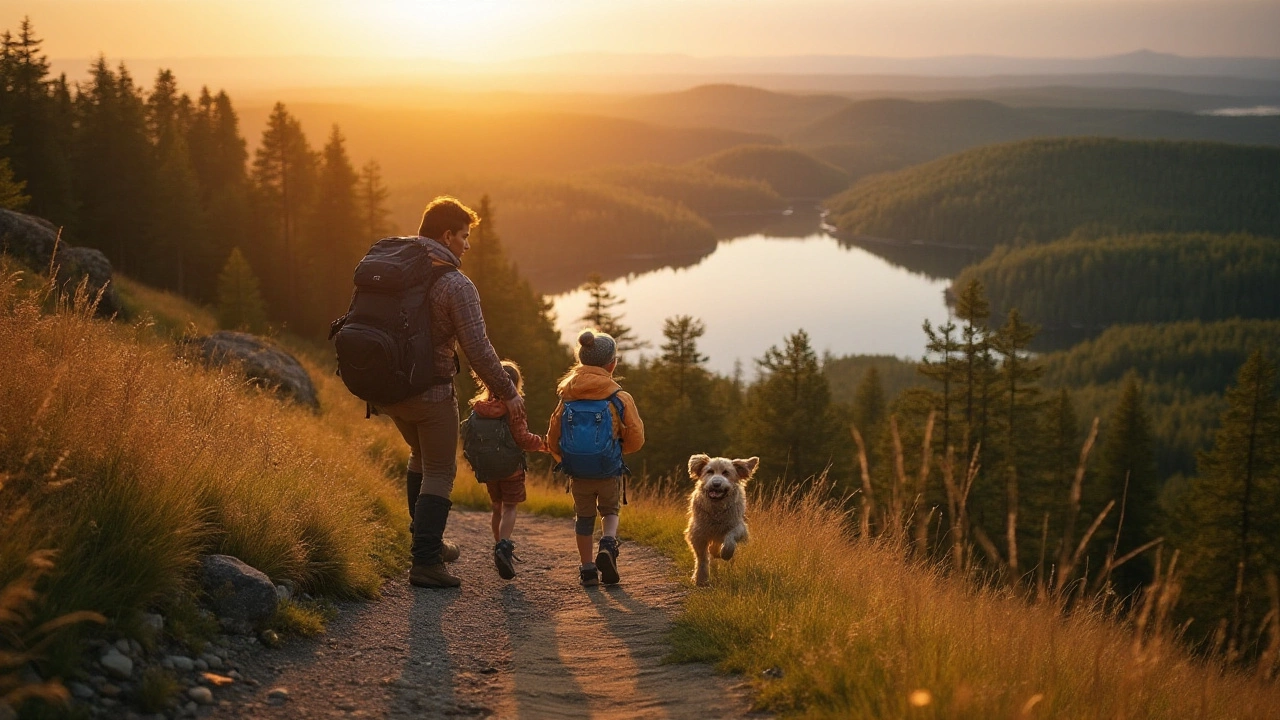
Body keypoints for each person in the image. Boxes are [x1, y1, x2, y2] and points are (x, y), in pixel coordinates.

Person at [379, 196, 524, 589]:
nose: (467, 244)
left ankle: (426, 540)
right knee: (441, 470)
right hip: (430, 392)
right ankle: (425, 561)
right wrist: (507, 391)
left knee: (420, 456)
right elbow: (477, 349)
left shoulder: (393, 270)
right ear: (446, 235)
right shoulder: (456, 284)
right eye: (463, 235)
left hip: (387, 390)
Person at [546, 330, 645, 586]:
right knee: (610, 511)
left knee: (584, 519)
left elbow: (553, 434)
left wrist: (562, 458)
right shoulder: (619, 396)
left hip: (577, 472)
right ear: (611, 364)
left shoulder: (567, 394)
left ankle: (588, 569)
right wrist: (620, 450)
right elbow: (636, 435)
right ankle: (609, 543)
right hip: (607, 468)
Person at [466, 360, 546, 579]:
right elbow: (522, 438)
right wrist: (542, 443)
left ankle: (498, 547)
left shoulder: (479, 408)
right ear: (516, 385)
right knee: (510, 507)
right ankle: (503, 547)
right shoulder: (514, 409)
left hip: (488, 468)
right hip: (511, 468)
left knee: (496, 507)